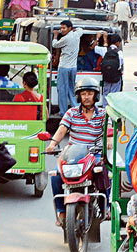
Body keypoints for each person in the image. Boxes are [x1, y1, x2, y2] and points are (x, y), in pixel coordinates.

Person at [46, 78, 110, 226]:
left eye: (90, 93)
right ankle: (61, 211)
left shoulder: (102, 114)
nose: (86, 97)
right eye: (83, 94)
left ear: (96, 95)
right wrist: (52, 144)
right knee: (56, 175)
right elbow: (62, 130)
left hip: (94, 154)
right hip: (73, 155)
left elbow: (110, 131)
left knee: (104, 173)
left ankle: (105, 207)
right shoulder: (71, 113)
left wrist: (109, 141)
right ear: (78, 96)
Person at [52, 20, 83, 116]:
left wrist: (55, 36)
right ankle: (75, 109)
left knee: (62, 89)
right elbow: (80, 29)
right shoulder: (77, 34)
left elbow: (54, 44)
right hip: (73, 67)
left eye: (64, 28)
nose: (62, 30)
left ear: (69, 28)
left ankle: (63, 111)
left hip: (64, 67)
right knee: (71, 89)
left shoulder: (65, 39)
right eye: (61, 28)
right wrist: (75, 29)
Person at [92, 32, 123, 106]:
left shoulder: (104, 50)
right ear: (118, 43)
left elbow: (94, 48)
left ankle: (104, 110)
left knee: (106, 93)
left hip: (106, 76)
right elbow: (120, 65)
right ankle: (112, 110)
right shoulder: (119, 52)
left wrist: (98, 38)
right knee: (114, 94)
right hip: (116, 77)